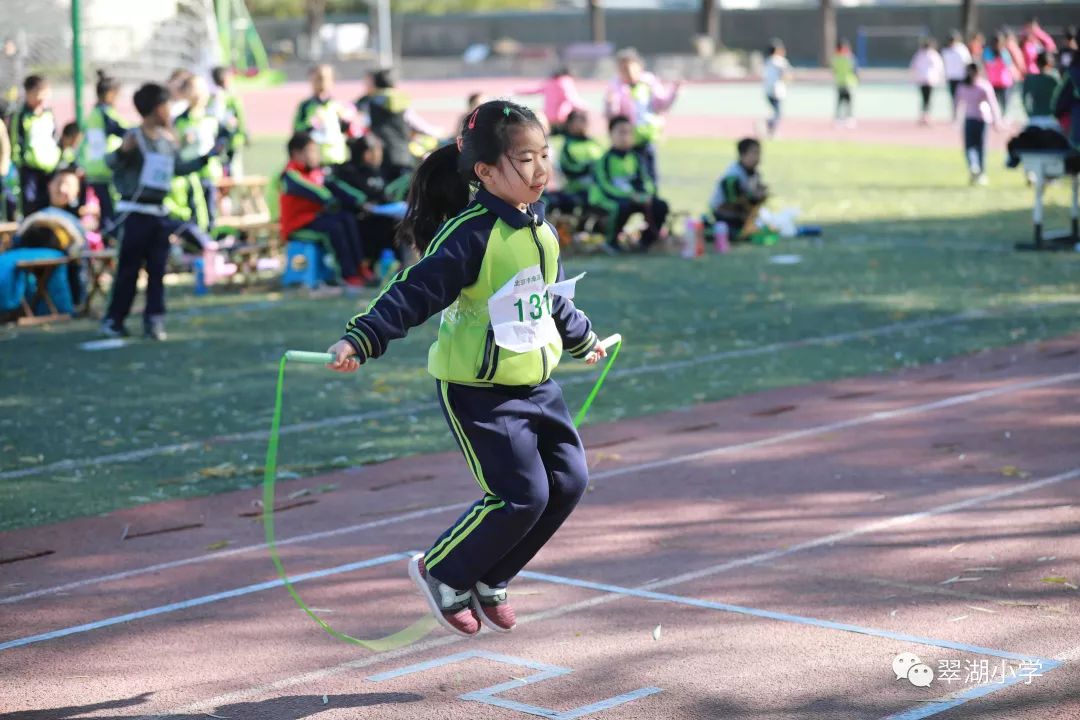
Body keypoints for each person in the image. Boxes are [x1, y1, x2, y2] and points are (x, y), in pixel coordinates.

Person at [324, 99, 607, 637]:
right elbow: (414, 292)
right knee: (522, 495)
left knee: (569, 482)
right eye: (525, 159)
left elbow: (549, 298)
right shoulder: (470, 236)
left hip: (538, 387)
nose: (541, 169)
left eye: (544, 155)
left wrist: (582, 338)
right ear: (485, 171)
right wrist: (362, 338)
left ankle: (491, 576)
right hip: (480, 394)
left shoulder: (540, 231)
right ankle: (442, 571)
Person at [101, 82, 219, 340]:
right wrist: (123, 151)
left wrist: (206, 157)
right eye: (166, 105)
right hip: (134, 212)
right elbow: (110, 163)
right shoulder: (134, 136)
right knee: (128, 270)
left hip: (158, 214)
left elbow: (179, 168)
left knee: (157, 270)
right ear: (156, 108)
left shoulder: (167, 140)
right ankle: (115, 319)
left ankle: (154, 321)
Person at [279, 131, 366, 289]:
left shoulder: (315, 172)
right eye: (311, 151)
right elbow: (315, 191)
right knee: (334, 228)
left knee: (347, 218)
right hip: (298, 225)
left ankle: (360, 267)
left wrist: (360, 200)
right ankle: (346, 275)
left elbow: (339, 188)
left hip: (316, 218)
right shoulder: (290, 175)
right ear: (296, 153)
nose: (316, 155)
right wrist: (329, 200)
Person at [588, 114, 669, 253]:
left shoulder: (636, 158)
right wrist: (631, 196)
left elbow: (646, 181)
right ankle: (611, 242)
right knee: (620, 207)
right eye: (621, 132)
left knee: (660, 205)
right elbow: (606, 187)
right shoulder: (604, 160)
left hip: (634, 198)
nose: (625, 136)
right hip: (606, 199)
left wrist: (646, 195)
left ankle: (646, 242)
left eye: (628, 132)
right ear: (611, 134)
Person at [604, 47, 680, 182]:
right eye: (623, 69)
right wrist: (610, 104)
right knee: (629, 176)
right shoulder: (615, 87)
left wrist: (674, 91)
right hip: (625, 139)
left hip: (646, 137)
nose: (626, 72)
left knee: (650, 174)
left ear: (639, 67)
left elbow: (662, 105)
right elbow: (612, 115)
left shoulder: (649, 83)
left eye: (629, 68)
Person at [14, 167, 87, 302]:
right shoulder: (36, 213)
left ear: (77, 191)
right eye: (59, 183)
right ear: (49, 185)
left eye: (68, 185)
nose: (62, 189)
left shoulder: (77, 223)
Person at [332, 134, 398, 281]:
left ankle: (403, 265)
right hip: (361, 221)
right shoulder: (348, 172)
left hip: (382, 217)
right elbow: (347, 194)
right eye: (377, 150)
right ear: (367, 154)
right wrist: (363, 203)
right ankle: (365, 267)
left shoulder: (383, 171)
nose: (380, 155)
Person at [355, 68, 441, 181]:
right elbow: (418, 125)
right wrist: (438, 133)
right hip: (403, 153)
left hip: (379, 155)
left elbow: (359, 124)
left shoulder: (368, 102)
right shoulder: (401, 101)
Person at [174, 75, 224, 233]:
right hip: (188, 173)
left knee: (210, 211)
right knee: (193, 210)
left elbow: (222, 141)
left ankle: (209, 241)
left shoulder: (211, 118)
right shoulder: (180, 120)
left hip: (207, 172)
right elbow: (175, 146)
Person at [83, 70, 128, 235]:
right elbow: (122, 130)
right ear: (110, 93)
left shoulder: (94, 113)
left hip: (95, 168)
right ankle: (111, 241)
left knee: (105, 210)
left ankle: (107, 239)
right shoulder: (105, 113)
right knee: (111, 212)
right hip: (106, 168)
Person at [10, 74, 60, 215]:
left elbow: (54, 138)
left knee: (48, 200)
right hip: (29, 168)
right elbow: (16, 141)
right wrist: (20, 163)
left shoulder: (48, 114)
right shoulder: (20, 115)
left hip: (49, 166)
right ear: (29, 93)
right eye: (38, 93)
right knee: (30, 202)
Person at [707, 137, 768, 242]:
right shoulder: (733, 175)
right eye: (754, 153)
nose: (758, 157)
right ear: (742, 155)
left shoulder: (754, 174)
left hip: (741, 213)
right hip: (723, 213)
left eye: (759, 153)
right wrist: (753, 197)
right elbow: (732, 202)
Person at [954, 63, 1002, 186]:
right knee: (981, 147)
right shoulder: (983, 85)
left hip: (969, 118)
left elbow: (957, 103)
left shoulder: (962, 86)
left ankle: (973, 166)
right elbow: (993, 104)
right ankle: (981, 173)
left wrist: (955, 118)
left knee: (969, 146)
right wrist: (997, 120)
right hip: (982, 119)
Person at [293, 64, 351, 166]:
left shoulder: (339, 105)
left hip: (336, 158)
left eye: (326, 78)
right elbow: (297, 130)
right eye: (318, 78)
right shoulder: (306, 106)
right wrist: (313, 123)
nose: (322, 82)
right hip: (313, 160)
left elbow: (347, 131)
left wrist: (345, 121)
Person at [550, 109, 604, 215]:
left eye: (585, 120)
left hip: (597, 187)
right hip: (575, 188)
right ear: (570, 124)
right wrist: (589, 168)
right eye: (581, 120)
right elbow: (568, 168)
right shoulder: (565, 144)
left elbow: (603, 164)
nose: (585, 123)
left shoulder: (594, 142)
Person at [515, 67, 586, 134]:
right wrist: (583, 108)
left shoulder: (549, 83)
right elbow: (571, 98)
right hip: (562, 119)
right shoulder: (565, 81)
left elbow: (533, 90)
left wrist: (518, 91)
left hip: (548, 118)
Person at [208, 66, 248, 177]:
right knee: (228, 166)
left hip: (232, 138)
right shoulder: (222, 96)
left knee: (231, 166)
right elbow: (240, 116)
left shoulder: (216, 96)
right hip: (223, 138)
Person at [910, 38, 944, 125]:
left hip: (924, 79)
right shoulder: (932, 55)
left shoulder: (920, 54)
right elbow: (939, 67)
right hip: (928, 79)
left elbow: (913, 66)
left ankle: (925, 116)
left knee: (925, 98)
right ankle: (925, 116)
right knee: (927, 98)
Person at [762, 39, 791, 137]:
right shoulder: (780, 61)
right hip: (776, 91)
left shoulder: (768, 61)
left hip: (768, 90)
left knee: (776, 112)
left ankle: (771, 130)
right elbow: (785, 74)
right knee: (778, 113)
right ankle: (770, 125)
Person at [941, 31, 973, 119]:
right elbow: (944, 64)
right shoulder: (946, 51)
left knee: (963, 96)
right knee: (953, 97)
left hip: (961, 77)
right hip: (951, 77)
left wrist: (968, 75)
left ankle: (964, 114)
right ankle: (955, 115)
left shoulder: (962, 49)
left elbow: (967, 62)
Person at [1022, 53, 1060, 126]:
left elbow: (1025, 99)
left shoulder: (1030, 79)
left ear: (1037, 64)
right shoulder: (1055, 79)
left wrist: (1029, 114)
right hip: (1051, 118)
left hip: (1034, 118)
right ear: (1050, 64)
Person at [984, 33, 1017, 115]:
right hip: (992, 82)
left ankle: (1003, 118)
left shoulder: (1004, 52)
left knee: (1005, 103)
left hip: (1004, 83)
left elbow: (1009, 66)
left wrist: (1014, 75)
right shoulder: (988, 52)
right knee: (992, 103)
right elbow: (987, 64)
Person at [831, 39, 857, 127]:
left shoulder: (835, 58)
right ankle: (842, 119)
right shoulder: (848, 58)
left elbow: (834, 70)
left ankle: (846, 118)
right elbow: (854, 69)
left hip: (845, 83)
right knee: (843, 101)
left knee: (845, 102)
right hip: (844, 83)